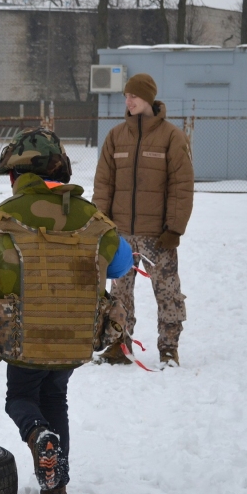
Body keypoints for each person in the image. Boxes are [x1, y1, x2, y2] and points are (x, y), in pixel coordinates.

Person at [0, 129, 133, 494]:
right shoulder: (94, 219)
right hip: (75, 339)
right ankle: (55, 488)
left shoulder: (3, 220)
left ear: (16, 176)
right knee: (56, 397)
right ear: (62, 172)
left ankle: (38, 435)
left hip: (23, 340)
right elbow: (123, 263)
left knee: (21, 398)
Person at [92, 73, 194, 367]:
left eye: (133, 96)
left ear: (148, 99)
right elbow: (104, 185)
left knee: (168, 293)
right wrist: (102, 224)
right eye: (126, 96)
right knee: (120, 294)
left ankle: (169, 348)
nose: (128, 101)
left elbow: (182, 186)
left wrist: (174, 228)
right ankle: (118, 345)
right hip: (120, 235)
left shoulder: (171, 137)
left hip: (157, 235)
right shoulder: (116, 137)